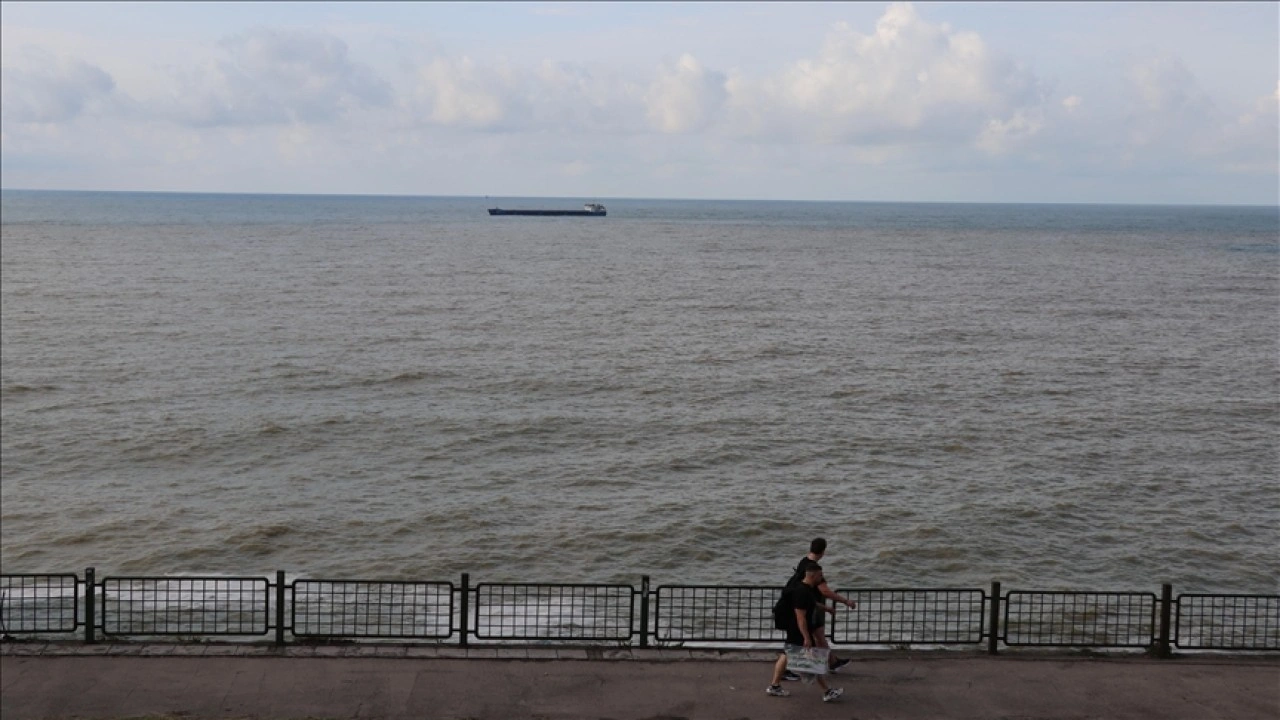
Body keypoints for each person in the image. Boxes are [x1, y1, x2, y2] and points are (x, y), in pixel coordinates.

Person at [765, 563, 844, 702]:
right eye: (820, 575)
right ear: (812, 576)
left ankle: (775, 686)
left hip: (796, 629)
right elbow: (800, 616)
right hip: (799, 630)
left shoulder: (806, 589)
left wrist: (827, 609)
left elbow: (812, 603)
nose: (822, 578)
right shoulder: (802, 592)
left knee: (788, 655)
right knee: (813, 658)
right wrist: (806, 637)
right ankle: (827, 691)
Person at [782, 537, 856, 679]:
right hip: (809, 606)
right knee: (808, 638)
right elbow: (825, 591)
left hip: (807, 604)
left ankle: (831, 662)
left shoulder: (802, 562)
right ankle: (820, 665)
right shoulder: (813, 569)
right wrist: (845, 601)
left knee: (817, 636)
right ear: (823, 551)